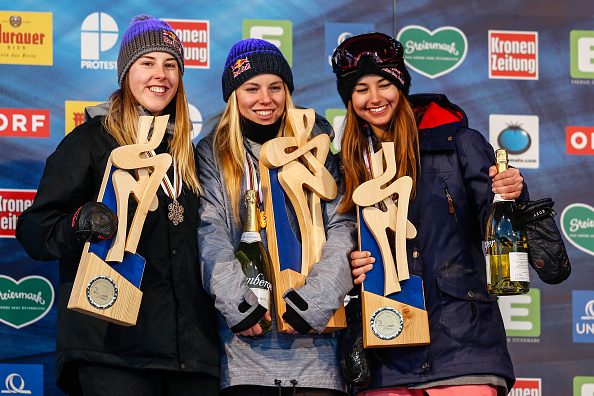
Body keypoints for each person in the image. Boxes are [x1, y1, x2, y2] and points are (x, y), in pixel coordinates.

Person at [16, 15, 219, 396]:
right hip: (111, 350)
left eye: (170, 65)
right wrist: (78, 222)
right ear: (126, 73)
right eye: (147, 63)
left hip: (190, 356)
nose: (161, 75)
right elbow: (33, 230)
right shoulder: (91, 141)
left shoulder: (187, 155)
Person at [330, 32, 528, 396]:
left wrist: (512, 191)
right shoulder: (347, 163)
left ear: (401, 85)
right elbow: (336, 236)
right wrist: (350, 261)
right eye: (361, 88)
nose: (374, 98)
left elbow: (496, 219)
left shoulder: (459, 143)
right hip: (384, 353)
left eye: (384, 84)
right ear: (349, 98)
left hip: (461, 345)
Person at [197, 38, 357, 395]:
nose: (265, 99)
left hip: (318, 355)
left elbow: (344, 228)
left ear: (288, 92)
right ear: (233, 95)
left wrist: (312, 303)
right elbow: (211, 236)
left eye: (275, 87)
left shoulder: (316, 149)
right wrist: (241, 306)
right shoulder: (214, 154)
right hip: (244, 357)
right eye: (251, 88)